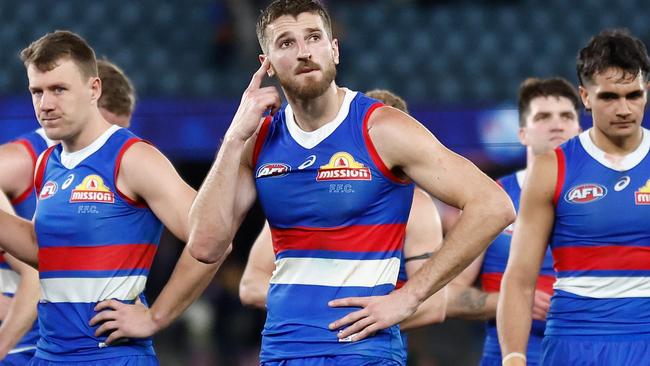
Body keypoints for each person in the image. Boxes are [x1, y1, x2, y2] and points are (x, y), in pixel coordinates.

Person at [188, 1, 515, 365]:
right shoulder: (257, 139)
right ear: (266, 62)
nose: (304, 52)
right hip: (282, 349)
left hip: (364, 351)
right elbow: (205, 246)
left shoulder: (382, 128)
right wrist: (233, 139)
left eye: (314, 37)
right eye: (286, 43)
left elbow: (493, 205)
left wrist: (408, 297)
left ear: (335, 49)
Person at [0, 30, 222, 365]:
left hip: (110, 356)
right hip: (48, 355)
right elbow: (42, 249)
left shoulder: (133, 157)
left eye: (58, 89)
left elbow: (213, 237)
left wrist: (156, 316)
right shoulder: (48, 162)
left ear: (94, 89)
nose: (45, 104)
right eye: (37, 91)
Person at [238, 89, 448, 363]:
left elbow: (434, 306)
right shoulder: (306, 198)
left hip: (369, 352)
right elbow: (251, 284)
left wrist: (354, 321)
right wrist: (319, 311)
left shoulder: (417, 207)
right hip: (297, 347)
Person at [497, 29, 650, 366]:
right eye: (609, 96)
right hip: (574, 343)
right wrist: (514, 358)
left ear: (646, 91)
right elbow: (520, 279)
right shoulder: (553, 167)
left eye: (633, 95)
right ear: (585, 96)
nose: (624, 108)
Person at [0, 58, 136, 365]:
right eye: (109, 131)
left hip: (80, 344)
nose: (111, 143)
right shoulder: (25, 158)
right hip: (24, 347)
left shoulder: (113, 163)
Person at [445, 78, 581, 366]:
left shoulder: (609, 199)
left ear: (580, 130)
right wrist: (511, 303)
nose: (557, 125)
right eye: (543, 117)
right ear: (522, 133)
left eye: (567, 116)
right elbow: (445, 294)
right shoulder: (491, 200)